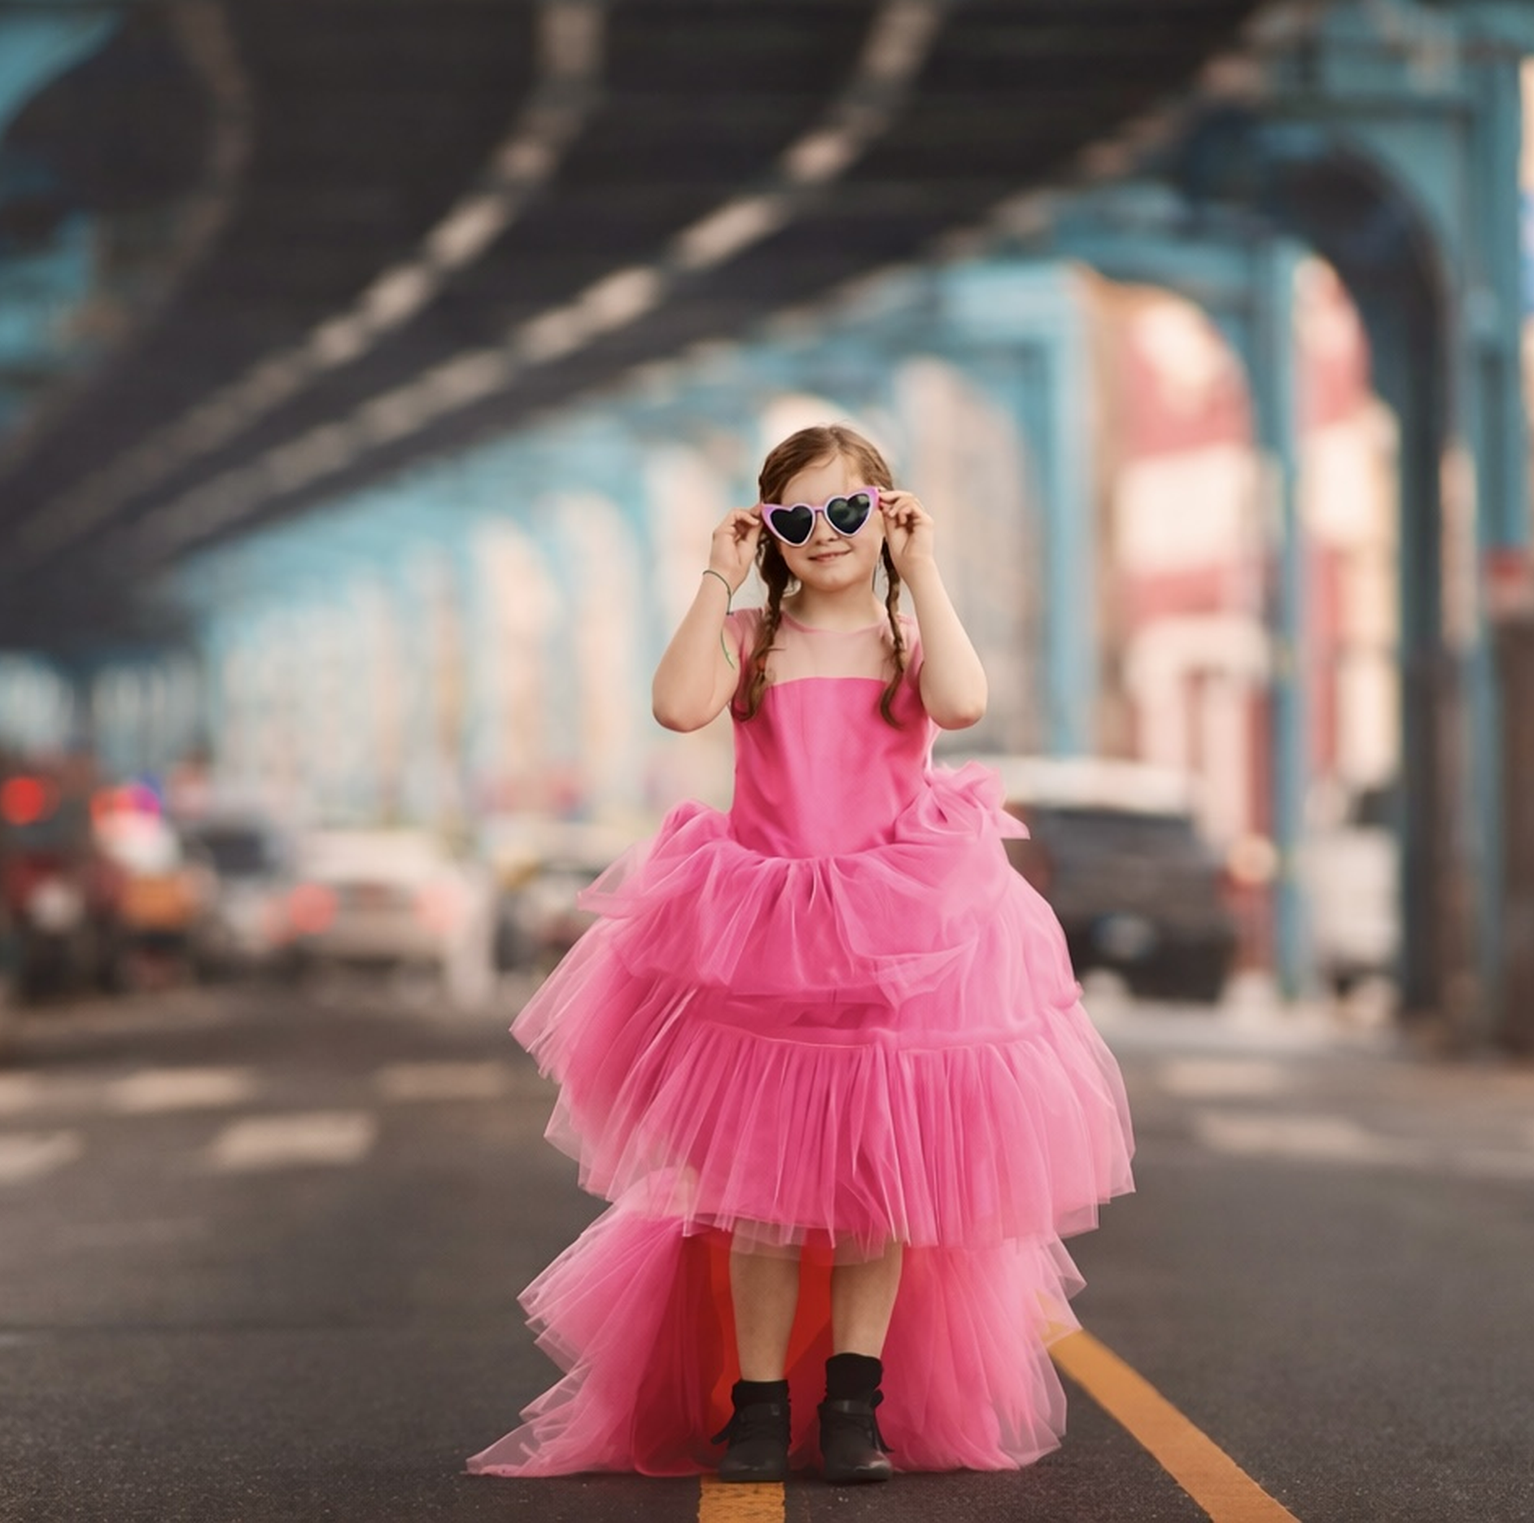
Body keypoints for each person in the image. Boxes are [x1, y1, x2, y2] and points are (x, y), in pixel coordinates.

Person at [468, 424, 1134, 1485]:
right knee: (762, 1199)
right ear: (770, 531)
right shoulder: (749, 639)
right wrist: (714, 574)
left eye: (846, 511)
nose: (822, 534)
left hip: (896, 939)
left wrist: (922, 567)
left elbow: (963, 702)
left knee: (879, 1193)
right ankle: (757, 1407)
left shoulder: (904, 645)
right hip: (769, 938)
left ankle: (853, 1408)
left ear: (885, 514)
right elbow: (675, 703)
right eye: (796, 517)